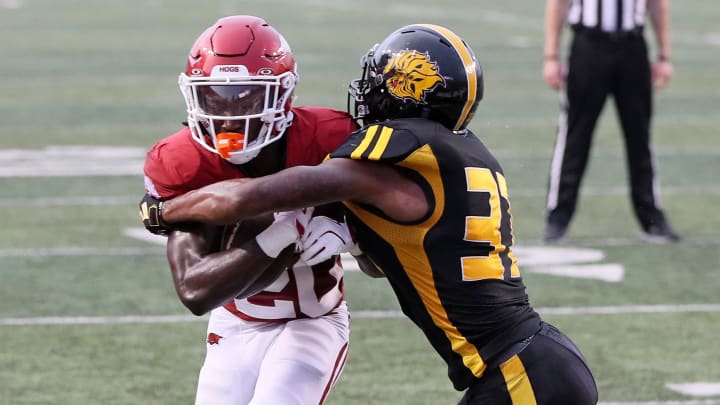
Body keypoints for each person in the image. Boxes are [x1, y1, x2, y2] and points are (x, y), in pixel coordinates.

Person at [141, 23, 599, 404]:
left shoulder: (382, 159)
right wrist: (350, 233)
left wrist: (164, 211)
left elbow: (256, 196)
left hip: (518, 369)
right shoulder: (458, 151)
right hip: (528, 361)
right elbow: (391, 251)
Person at [138, 15, 361, 405]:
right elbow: (194, 291)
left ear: (284, 92)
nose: (229, 112)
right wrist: (282, 233)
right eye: (215, 96)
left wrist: (357, 236)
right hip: (236, 323)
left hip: (313, 322)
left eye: (247, 94)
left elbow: (388, 250)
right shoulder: (185, 160)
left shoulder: (330, 137)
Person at [542, 0, 680, 243]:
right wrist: (551, 56)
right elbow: (560, 2)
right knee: (574, 136)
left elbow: (657, 4)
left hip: (632, 46)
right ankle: (558, 217)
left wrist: (664, 55)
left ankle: (651, 218)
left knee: (640, 137)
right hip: (589, 44)